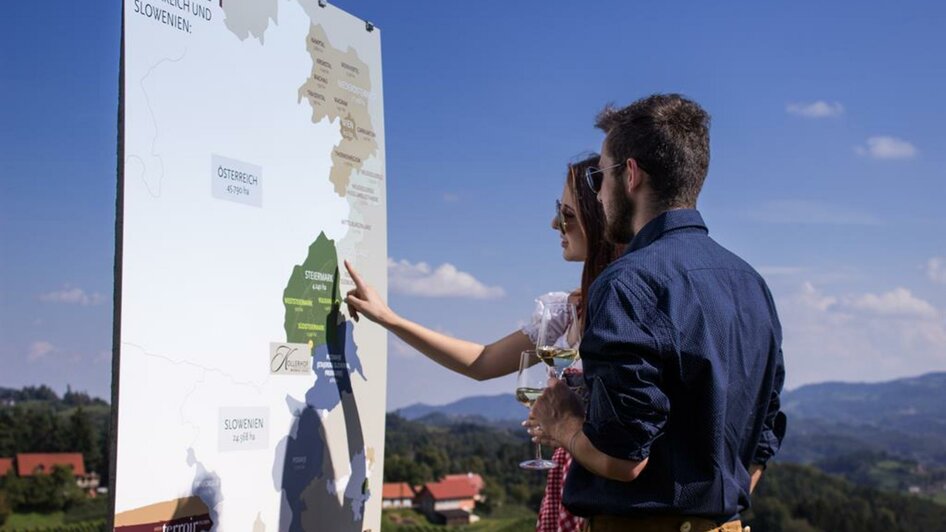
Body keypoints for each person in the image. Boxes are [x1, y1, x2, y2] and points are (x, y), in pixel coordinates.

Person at [528, 94, 787, 532]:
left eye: (598, 176)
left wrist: (564, 424)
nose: (599, 191)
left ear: (629, 175)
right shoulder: (750, 282)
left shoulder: (627, 283)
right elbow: (764, 435)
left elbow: (623, 458)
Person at [343, 155, 622, 532]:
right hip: (571, 484)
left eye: (567, 213)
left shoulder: (626, 308)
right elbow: (482, 362)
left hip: (608, 496)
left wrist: (565, 425)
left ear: (600, 216)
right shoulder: (565, 310)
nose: (555, 223)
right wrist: (390, 319)